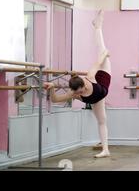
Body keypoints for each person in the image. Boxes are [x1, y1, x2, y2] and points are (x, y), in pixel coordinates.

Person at [44, 10, 111, 158]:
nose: (80, 94)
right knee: (102, 120)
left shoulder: (90, 76)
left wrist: (106, 54)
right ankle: (105, 149)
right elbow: (55, 100)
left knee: (102, 50)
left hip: (103, 77)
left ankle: (97, 26)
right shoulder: (74, 93)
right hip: (98, 98)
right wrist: (53, 88)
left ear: (83, 83)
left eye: (81, 90)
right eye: (78, 93)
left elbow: (98, 62)